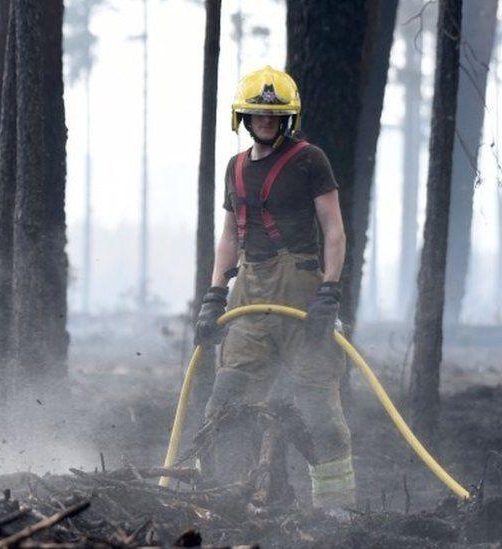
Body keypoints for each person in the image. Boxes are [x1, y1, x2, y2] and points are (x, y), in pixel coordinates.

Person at [194, 66, 354, 510]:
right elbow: (230, 236)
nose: (266, 121)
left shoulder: (309, 160)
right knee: (227, 398)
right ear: (243, 118)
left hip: (300, 288)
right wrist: (213, 295)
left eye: (274, 115)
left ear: (288, 119)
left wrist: (329, 290)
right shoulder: (236, 168)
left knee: (316, 402)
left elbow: (334, 230)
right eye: (257, 114)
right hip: (249, 291)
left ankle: (337, 511)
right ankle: (224, 498)